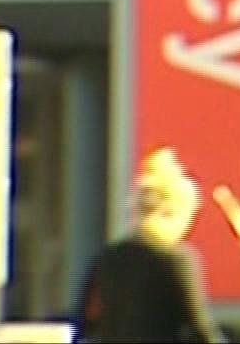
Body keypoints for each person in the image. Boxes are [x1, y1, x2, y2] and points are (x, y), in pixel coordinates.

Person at [71, 147, 227, 343]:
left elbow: (85, 321)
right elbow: (199, 329)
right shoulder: (176, 260)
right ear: (174, 212)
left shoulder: (108, 258)